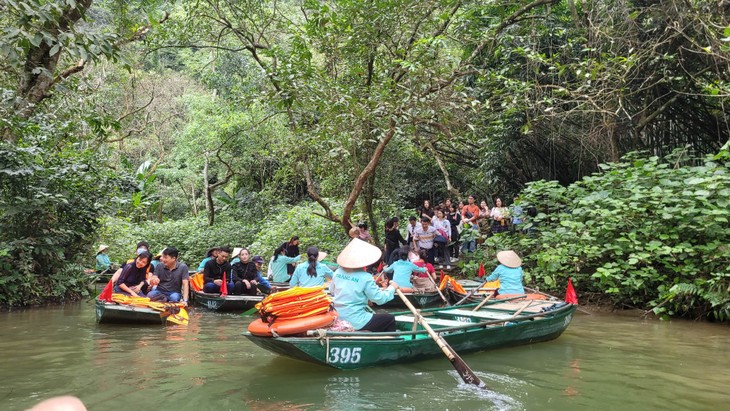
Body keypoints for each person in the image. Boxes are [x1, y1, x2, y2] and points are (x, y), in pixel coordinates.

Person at [331, 238, 400, 332]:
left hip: (337, 316)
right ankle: (389, 343)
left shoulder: (337, 272)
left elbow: (332, 292)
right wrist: (392, 288)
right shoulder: (365, 277)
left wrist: (364, 299)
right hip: (356, 320)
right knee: (390, 319)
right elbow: (380, 299)